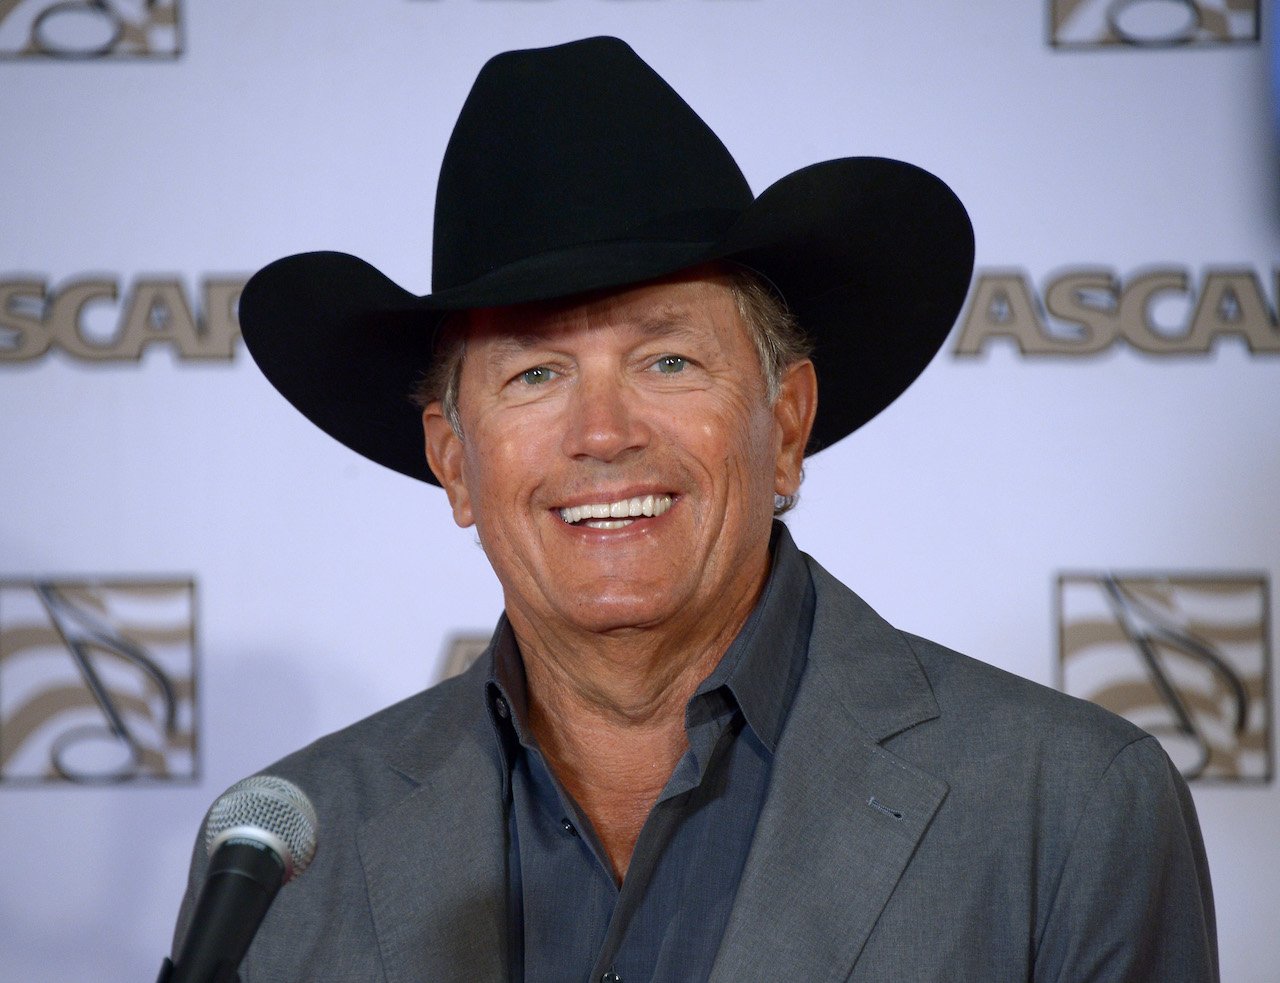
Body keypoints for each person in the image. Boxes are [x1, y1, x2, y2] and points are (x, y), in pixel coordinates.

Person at [173, 36, 1218, 982]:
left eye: (666, 359)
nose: (601, 431)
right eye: (534, 375)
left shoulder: (1068, 805)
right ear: (453, 460)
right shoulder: (280, 854)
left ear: (786, 422)